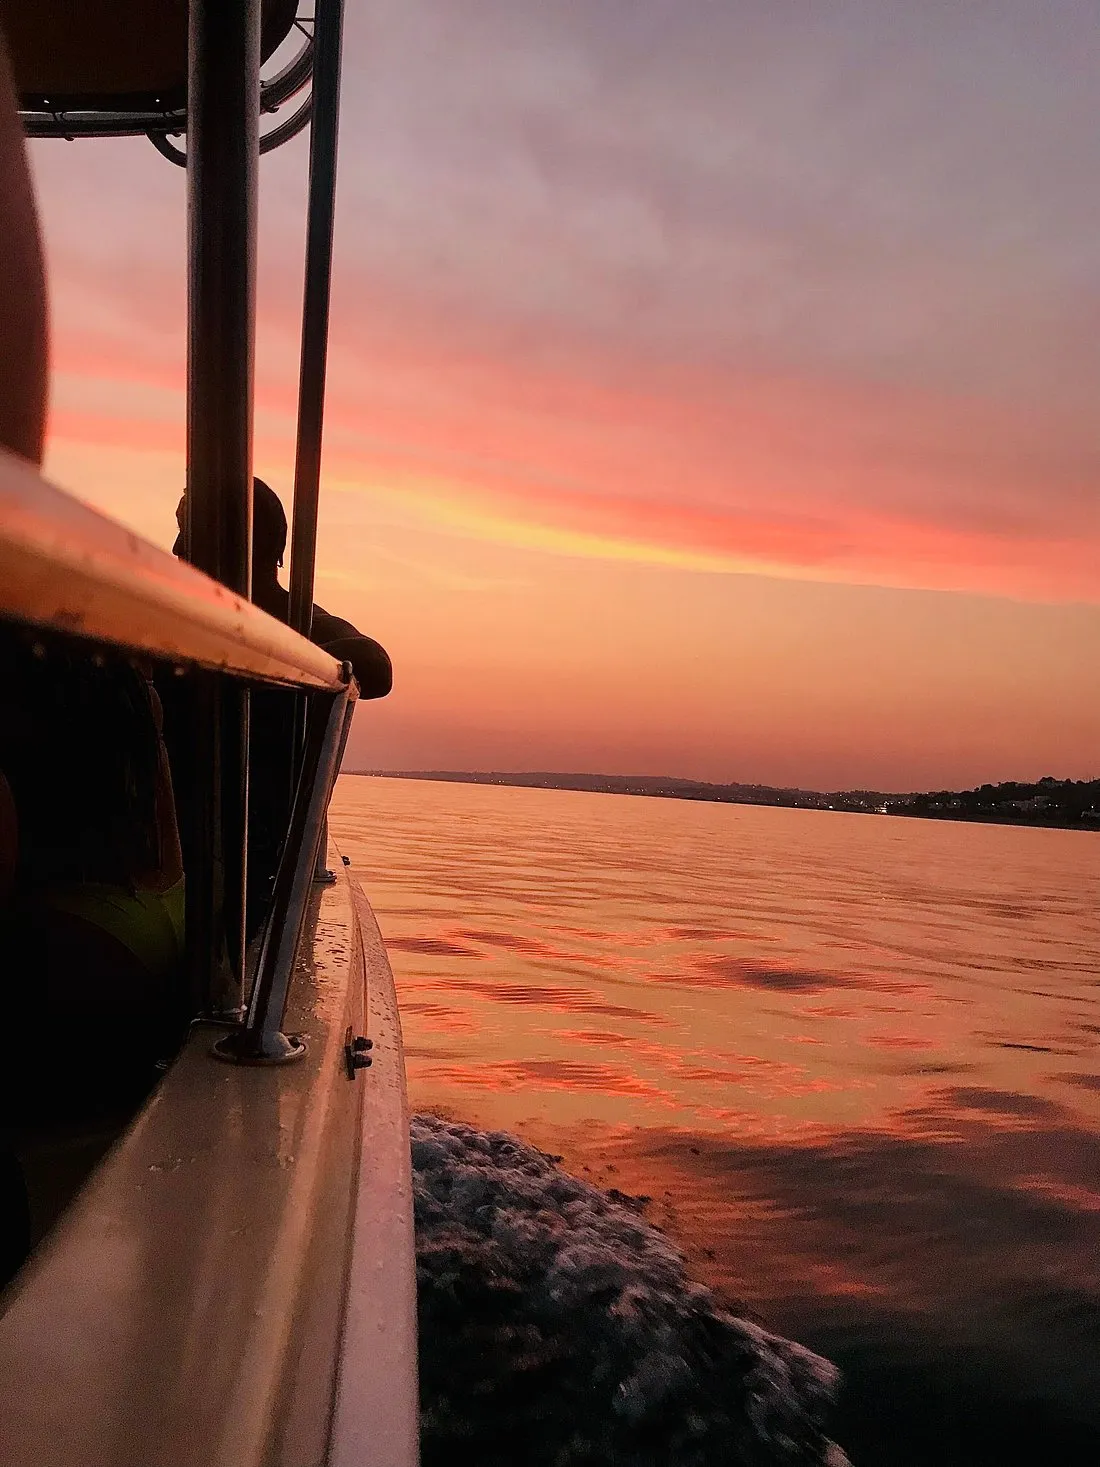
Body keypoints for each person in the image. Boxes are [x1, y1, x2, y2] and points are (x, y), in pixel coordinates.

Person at [173, 477, 393, 698]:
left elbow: (376, 664)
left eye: (191, 533)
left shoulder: (294, 619)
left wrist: (268, 662)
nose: (177, 547)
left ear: (239, 544)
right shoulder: (181, 615)